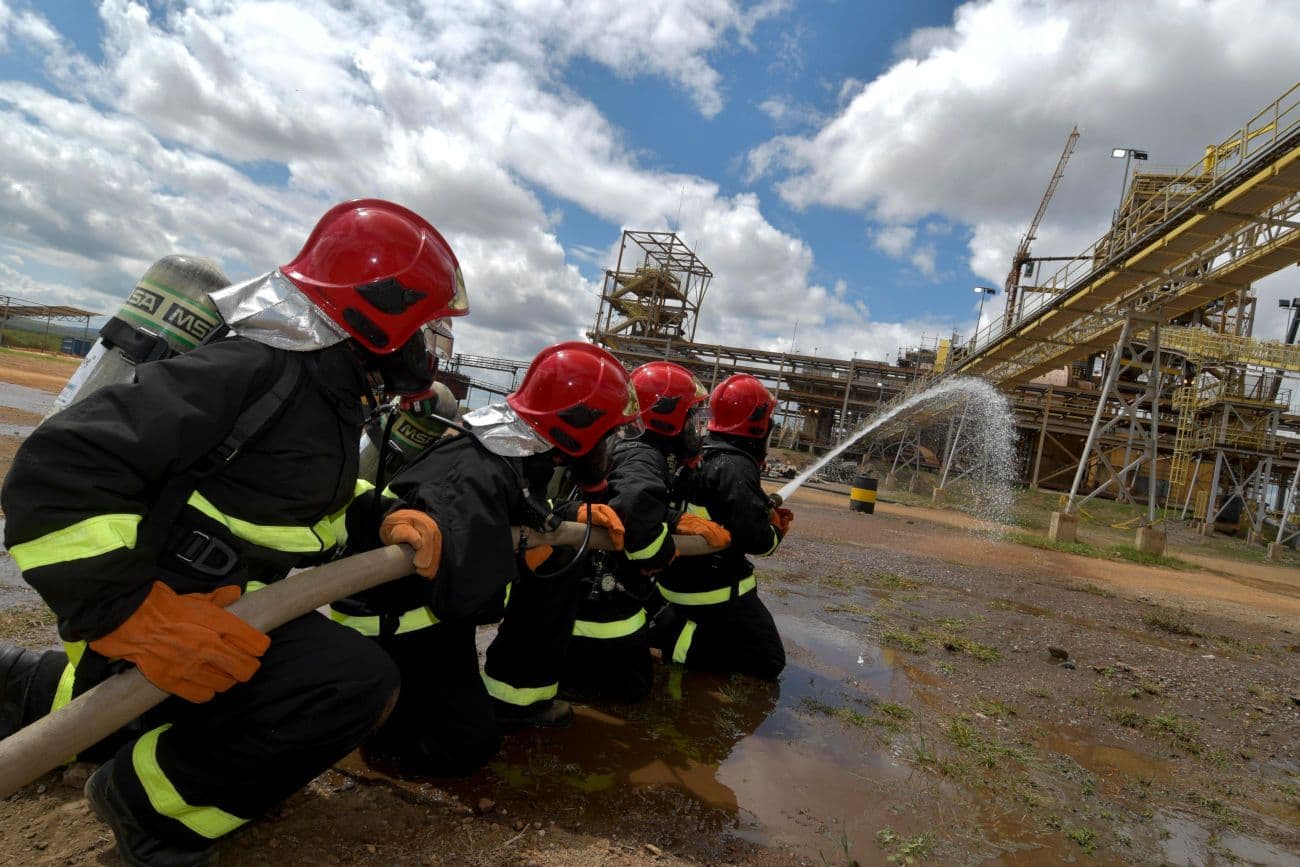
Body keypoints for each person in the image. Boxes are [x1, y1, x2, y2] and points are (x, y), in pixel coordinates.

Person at [0, 198, 468, 867]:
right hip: (163, 614)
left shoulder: (327, 390)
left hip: (223, 608)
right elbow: (56, 469)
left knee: (243, 691)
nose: (429, 346)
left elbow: (304, 502)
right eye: (425, 326)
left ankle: (27, 685)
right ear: (378, 310)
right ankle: (146, 808)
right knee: (349, 682)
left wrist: (382, 515)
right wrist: (124, 611)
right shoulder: (258, 367)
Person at [329, 340, 638, 775]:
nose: (608, 444)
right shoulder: (481, 467)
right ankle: (377, 712)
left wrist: (564, 518)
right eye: (606, 432)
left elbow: (515, 508)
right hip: (398, 624)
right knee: (465, 750)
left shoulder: (515, 449)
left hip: (427, 613)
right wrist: (520, 557)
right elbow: (472, 597)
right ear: (576, 427)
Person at [557, 361, 729, 702]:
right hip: (601, 602)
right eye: (689, 417)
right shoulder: (644, 456)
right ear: (667, 417)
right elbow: (635, 510)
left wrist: (672, 517)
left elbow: (627, 502)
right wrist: (664, 551)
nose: (694, 428)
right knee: (632, 691)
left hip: (582, 589)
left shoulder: (631, 448)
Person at [648, 373, 792, 680]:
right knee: (768, 660)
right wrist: (776, 529)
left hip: (678, 582)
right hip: (714, 592)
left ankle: (673, 624)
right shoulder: (735, 467)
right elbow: (757, 541)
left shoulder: (702, 453)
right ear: (757, 426)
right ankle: (677, 639)